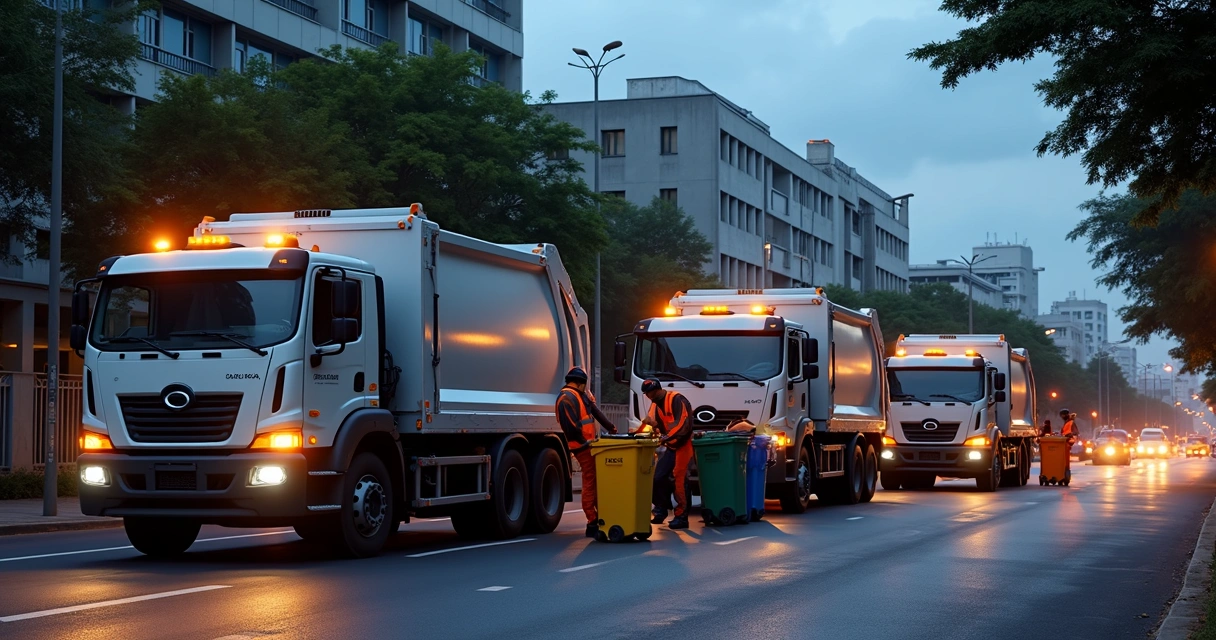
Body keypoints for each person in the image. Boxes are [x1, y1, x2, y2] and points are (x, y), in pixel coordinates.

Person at [556, 367, 617, 538]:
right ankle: (592, 520)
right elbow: (570, 427)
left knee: (595, 480)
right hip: (583, 446)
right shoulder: (566, 398)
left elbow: (594, 411)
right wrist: (585, 443)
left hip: (590, 445)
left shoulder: (578, 395)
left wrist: (611, 427)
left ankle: (597, 516)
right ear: (580, 383)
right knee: (590, 481)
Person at [639, 378, 695, 530]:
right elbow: (652, 424)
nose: (649, 396)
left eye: (650, 393)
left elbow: (683, 423)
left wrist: (667, 437)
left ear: (657, 389)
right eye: (646, 394)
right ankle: (661, 509)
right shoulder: (655, 406)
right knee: (658, 477)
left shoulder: (677, 399)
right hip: (671, 446)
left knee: (679, 478)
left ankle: (682, 517)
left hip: (684, 444)